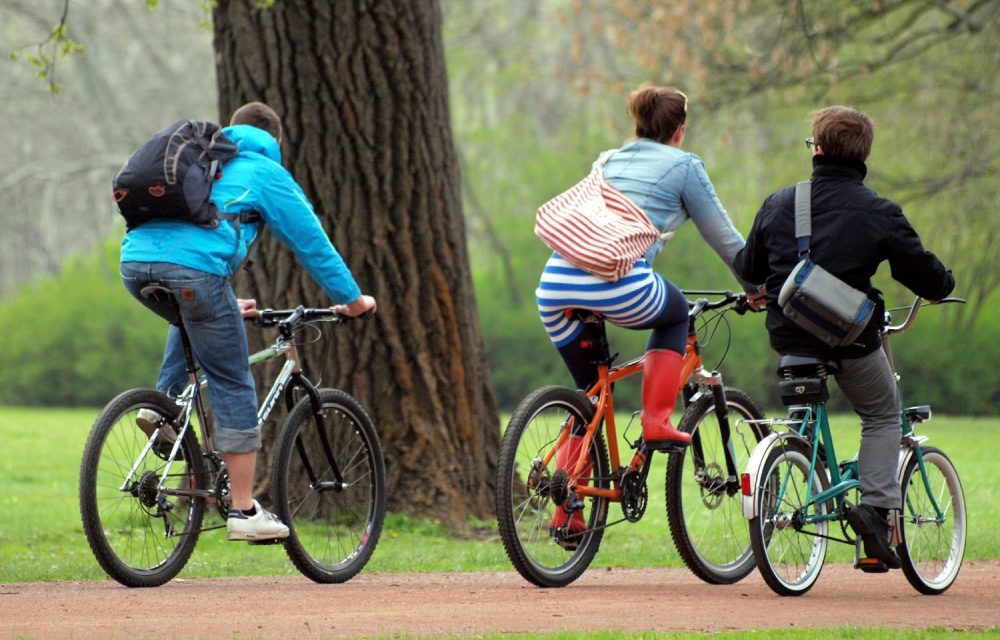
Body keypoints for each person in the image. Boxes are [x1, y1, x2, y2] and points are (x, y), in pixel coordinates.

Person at [120, 102, 376, 542]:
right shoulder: (265, 172)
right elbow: (314, 246)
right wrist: (352, 301)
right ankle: (243, 510)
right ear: (275, 140)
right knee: (234, 381)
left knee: (190, 315)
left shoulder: (200, 161)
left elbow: (175, 237)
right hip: (196, 275)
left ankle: (162, 407)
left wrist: (218, 297)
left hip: (134, 265)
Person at [733, 105, 954, 568]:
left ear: (817, 148)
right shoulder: (878, 211)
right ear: (863, 154)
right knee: (881, 413)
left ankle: (799, 462)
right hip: (849, 339)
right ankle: (874, 513)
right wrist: (943, 287)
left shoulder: (779, 202)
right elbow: (926, 276)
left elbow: (749, 269)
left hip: (790, 339)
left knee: (806, 408)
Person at [536, 84, 757, 544]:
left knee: (589, 397)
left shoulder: (608, 160)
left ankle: (568, 513)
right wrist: (757, 289)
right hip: (617, 283)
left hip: (555, 286)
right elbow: (727, 241)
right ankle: (657, 419)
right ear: (678, 131)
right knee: (675, 313)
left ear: (637, 125)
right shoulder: (685, 166)